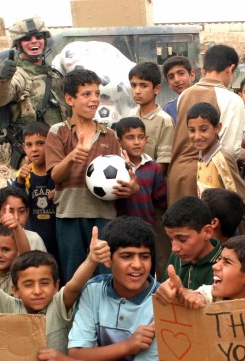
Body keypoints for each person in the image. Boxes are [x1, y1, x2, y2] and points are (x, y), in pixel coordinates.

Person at [45, 68, 137, 282]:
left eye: (96, 93)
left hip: (103, 215)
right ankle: (76, 315)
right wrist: (73, 156)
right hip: (69, 215)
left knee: (105, 273)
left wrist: (132, 187)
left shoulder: (110, 134)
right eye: (86, 94)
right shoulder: (58, 132)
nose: (94, 99)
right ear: (70, 99)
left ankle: (105, 315)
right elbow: (56, 176)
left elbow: (125, 176)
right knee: (74, 274)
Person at [0, 227, 110, 353]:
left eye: (44, 283)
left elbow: (74, 286)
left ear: (56, 286)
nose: (37, 291)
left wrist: (91, 260)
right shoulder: (10, 306)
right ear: (15, 290)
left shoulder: (59, 305)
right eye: (28, 284)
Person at [68, 216, 159, 361]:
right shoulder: (93, 290)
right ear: (108, 260)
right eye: (127, 256)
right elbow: (76, 354)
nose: (137, 264)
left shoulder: (161, 300)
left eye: (144, 256)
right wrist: (127, 346)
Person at [167, 44, 245, 205]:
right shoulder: (232, 99)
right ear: (231, 69)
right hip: (206, 179)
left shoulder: (184, 95)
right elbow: (230, 150)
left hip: (177, 174)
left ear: (204, 68)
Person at [0, 16, 68, 168]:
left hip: (58, 154)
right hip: (31, 160)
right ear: (17, 45)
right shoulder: (18, 74)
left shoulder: (54, 74)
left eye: (38, 36)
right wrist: (2, 79)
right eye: (26, 38)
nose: (34, 41)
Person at [115, 117, 169, 280]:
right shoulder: (114, 167)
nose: (137, 142)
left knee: (146, 270)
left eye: (140, 137)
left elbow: (161, 199)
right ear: (119, 141)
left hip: (146, 229)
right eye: (130, 137)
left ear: (146, 139)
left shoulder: (152, 167)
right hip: (120, 230)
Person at [155, 235, 245, 307]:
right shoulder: (209, 296)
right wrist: (179, 293)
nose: (215, 266)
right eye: (219, 259)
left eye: (227, 262)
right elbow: (200, 294)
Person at [12, 122, 59, 266]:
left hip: (58, 237)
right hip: (35, 238)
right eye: (29, 145)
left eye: (40, 143)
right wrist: (19, 181)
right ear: (24, 148)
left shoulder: (58, 172)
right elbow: (17, 201)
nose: (34, 149)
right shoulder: (24, 174)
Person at [187, 102, 245, 205]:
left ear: (217, 128)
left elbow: (241, 199)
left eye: (203, 130)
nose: (197, 136)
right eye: (192, 130)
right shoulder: (201, 156)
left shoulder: (221, 159)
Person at [161, 196, 221, 290]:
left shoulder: (224, 263)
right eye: (171, 239)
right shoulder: (176, 258)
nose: (174, 248)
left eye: (182, 239)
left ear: (207, 232)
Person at [129, 61, 174, 175]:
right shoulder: (130, 116)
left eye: (143, 85)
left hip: (151, 187)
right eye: (133, 85)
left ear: (157, 89)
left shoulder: (164, 121)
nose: (137, 91)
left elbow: (162, 165)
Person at [0, 186, 46, 252]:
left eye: (21, 211)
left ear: (27, 213)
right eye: (10, 211)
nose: (16, 218)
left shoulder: (35, 239)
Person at [0, 223, 30, 296]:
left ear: (17, 251)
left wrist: (17, 227)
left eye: (5, 250)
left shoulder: (18, 276)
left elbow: (27, 257)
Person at [162, 56, 196, 123]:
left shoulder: (207, 99)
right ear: (168, 83)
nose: (176, 80)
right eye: (171, 77)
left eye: (181, 74)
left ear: (192, 75)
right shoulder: (169, 109)